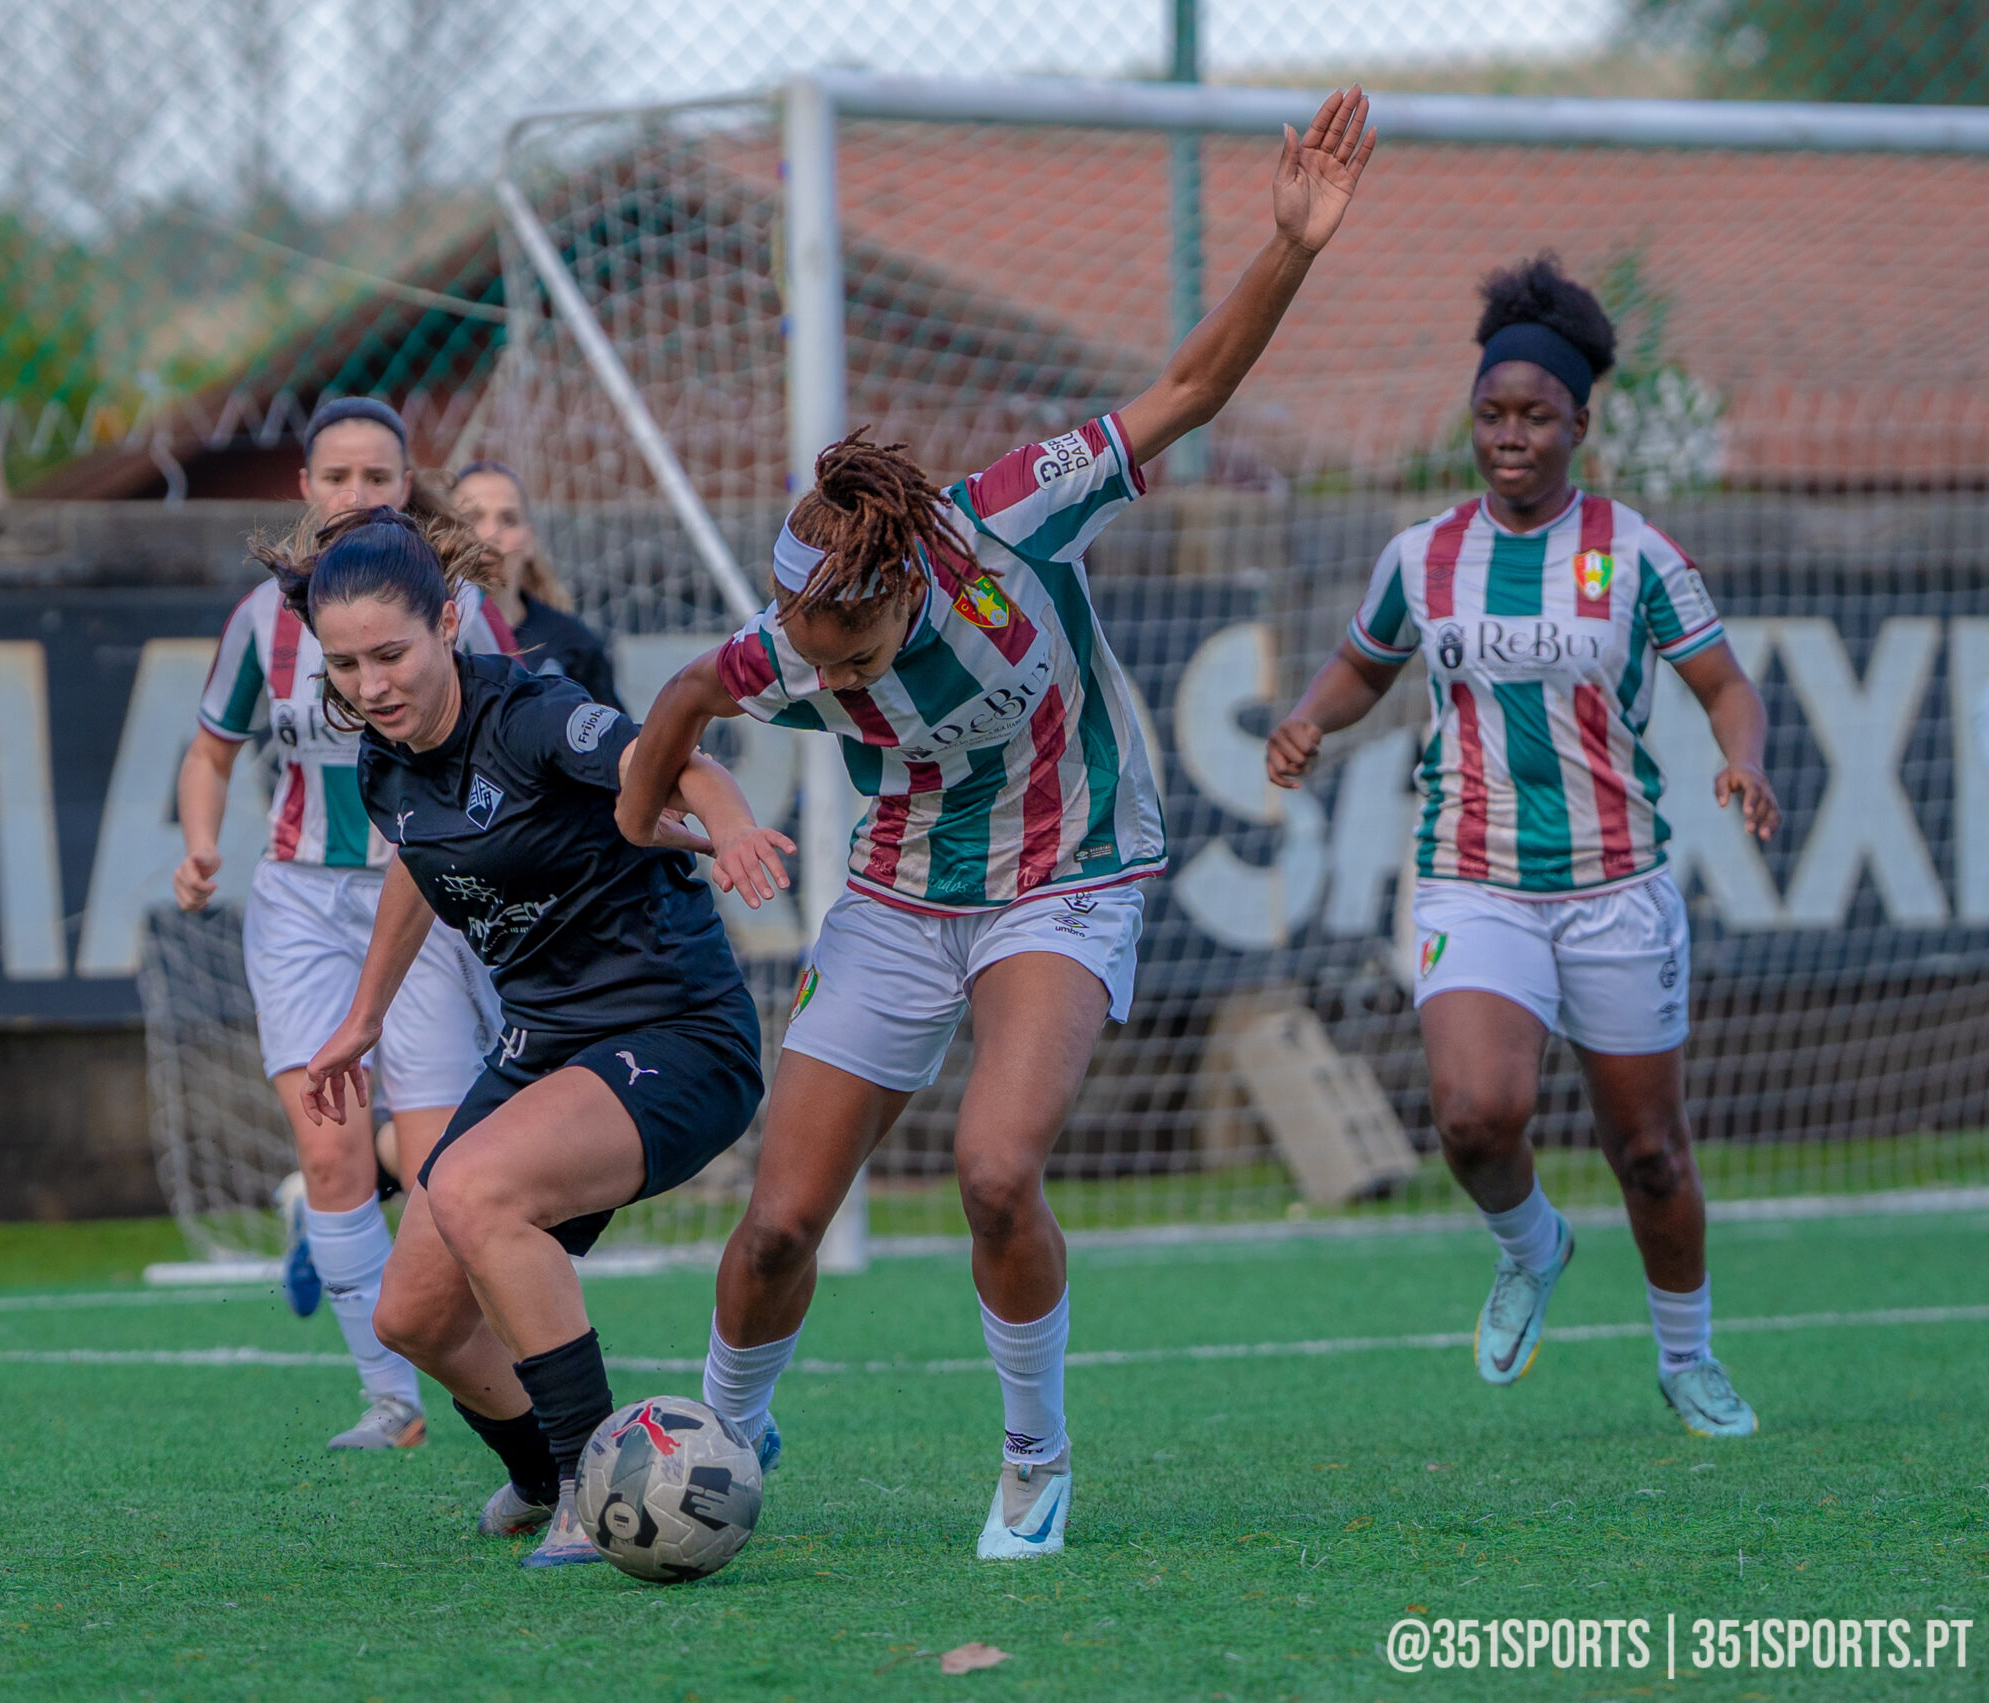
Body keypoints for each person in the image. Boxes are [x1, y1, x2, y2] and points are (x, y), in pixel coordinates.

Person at [622, 90, 1379, 1560]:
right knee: (776, 1224)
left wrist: (1292, 245)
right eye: (812, 650)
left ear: (908, 578)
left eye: (854, 648)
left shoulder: (1015, 515)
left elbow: (1189, 387)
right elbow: (682, 700)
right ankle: (719, 1433)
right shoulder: (789, 643)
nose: (834, 676)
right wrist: (648, 811)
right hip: (901, 897)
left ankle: (1035, 1454)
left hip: (1067, 876)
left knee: (991, 1170)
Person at [1264, 253, 1780, 1439]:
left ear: (1578, 426)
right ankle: (1531, 1244)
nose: (1510, 435)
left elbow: (1725, 684)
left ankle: (1687, 1356)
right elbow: (1360, 665)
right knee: (1472, 1115)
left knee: (1648, 1153)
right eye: (1492, 413)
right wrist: (1307, 719)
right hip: (1471, 875)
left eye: (1536, 416)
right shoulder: (1422, 556)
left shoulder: (1635, 552)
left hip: (1615, 884)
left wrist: (1742, 758)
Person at [293, 506, 793, 1568]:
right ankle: (533, 1472)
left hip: (676, 1035)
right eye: (345, 665)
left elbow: (672, 760)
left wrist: (734, 822)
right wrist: (362, 1019)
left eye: (391, 654)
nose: (371, 685)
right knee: (411, 1315)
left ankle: (585, 1482)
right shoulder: (385, 762)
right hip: (544, 1046)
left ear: (449, 621)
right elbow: (419, 863)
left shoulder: (535, 714)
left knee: (475, 1189)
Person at [172, 396, 509, 1453]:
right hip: (302, 904)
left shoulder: (456, 608)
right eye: (335, 476)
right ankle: (390, 1401)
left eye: (375, 476)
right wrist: (200, 843)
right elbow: (211, 752)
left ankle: (502, 1376)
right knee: (330, 1155)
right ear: (304, 490)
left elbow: (513, 733)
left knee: (447, 1167)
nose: (355, 493)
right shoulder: (259, 622)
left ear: (406, 487)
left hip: (428, 899)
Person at [453, 459, 623, 708]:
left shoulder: (572, 642)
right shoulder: (428, 634)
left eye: (509, 519)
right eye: (472, 518)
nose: (490, 534)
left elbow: (614, 728)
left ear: (529, 540)